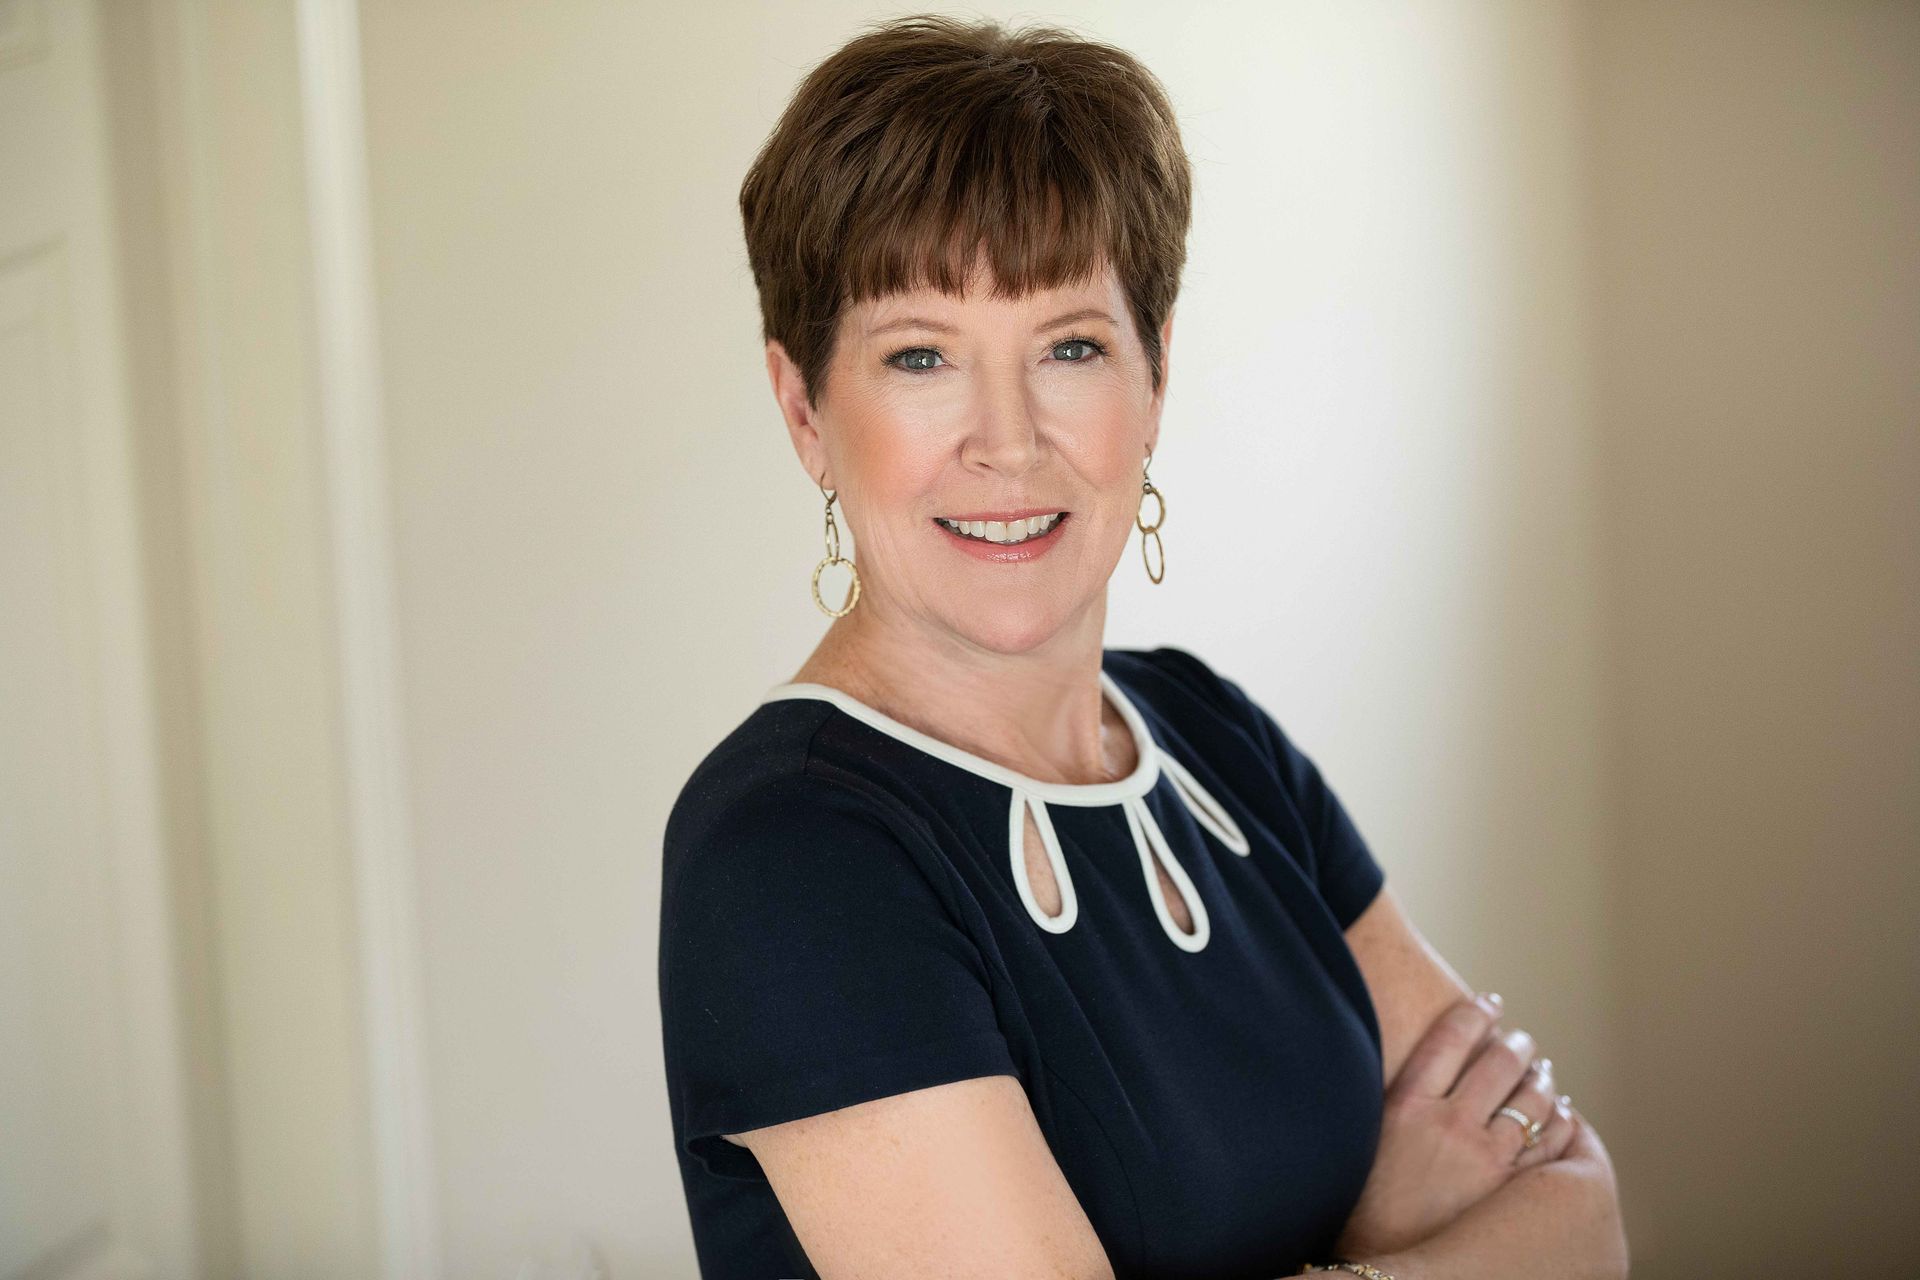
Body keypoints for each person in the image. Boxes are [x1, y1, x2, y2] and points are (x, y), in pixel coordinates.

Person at [657, 14, 1626, 1279]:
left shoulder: (1215, 735)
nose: (1009, 441)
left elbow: (1585, 1218)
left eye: (1070, 346)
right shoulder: (791, 853)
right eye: (921, 356)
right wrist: (1380, 1237)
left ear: (1155, 377)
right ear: (805, 409)